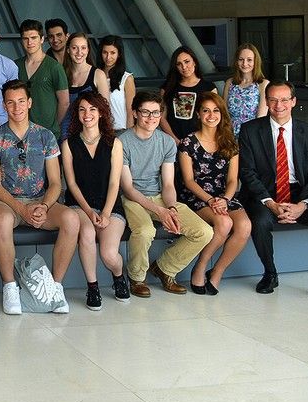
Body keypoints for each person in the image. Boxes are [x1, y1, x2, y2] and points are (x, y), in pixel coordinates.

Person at [238, 82, 308, 303]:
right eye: (274, 100)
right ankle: (270, 274)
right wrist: (270, 203)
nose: (279, 105)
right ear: (266, 102)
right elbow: (247, 173)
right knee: (260, 221)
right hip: (264, 193)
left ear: (294, 102)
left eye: (285, 99)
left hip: (299, 193)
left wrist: (302, 205)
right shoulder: (249, 131)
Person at [0, 80, 78, 315]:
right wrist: (21, 209)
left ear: (30, 103)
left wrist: (45, 205)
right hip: (5, 201)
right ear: (4, 106)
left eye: (21, 102)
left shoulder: (45, 136)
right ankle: (10, 286)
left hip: (39, 200)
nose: (17, 108)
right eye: (11, 103)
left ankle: (54, 287)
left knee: (72, 220)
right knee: (3, 221)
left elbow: (55, 182)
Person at [118, 90, 213, 298]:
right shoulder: (122, 142)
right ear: (134, 113)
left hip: (160, 196)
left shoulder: (167, 142)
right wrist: (159, 211)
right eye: (145, 112)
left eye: (156, 113)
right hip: (132, 198)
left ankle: (164, 269)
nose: (151, 118)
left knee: (204, 231)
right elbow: (127, 188)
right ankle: (136, 277)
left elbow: (168, 184)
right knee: (144, 231)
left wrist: (170, 208)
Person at [177, 92, 252, 296]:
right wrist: (211, 200)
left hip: (223, 195)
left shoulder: (230, 142)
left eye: (216, 110)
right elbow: (189, 181)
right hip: (197, 195)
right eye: (206, 111)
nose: (211, 115)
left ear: (222, 114)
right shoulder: (188, 143)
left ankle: (217, 270)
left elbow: (232, 180)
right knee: (225, 223)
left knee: (244, 225)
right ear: (199, 115)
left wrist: (225, 199)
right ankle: (200, 267)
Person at [60, 92, 129, 311]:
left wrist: (106, 213)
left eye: (92, 109)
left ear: (101, 113)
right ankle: (93, 286)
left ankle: (119, 275)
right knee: (87, 233)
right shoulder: (69, 144)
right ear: (76, 114)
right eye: (82, 109)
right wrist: (89, 212)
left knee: (109, 254)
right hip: (79, 205)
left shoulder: (114, 143)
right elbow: (71, 184)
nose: (87, 114)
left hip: (110, 205)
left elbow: (114, 183)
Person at [15, 19, 68, 140]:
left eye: (34, 38)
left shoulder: (54, 67)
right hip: (21, 134)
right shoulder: (15, 66)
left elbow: (64, 102)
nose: (30, 42)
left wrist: (53, 125)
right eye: (25, 39)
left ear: (42, 39)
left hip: (48, 135)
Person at [160, 46, 216, 143]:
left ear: (194, 61)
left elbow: (214, 117)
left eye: (187, 61)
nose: (184, 67)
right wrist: (175, 141)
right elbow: (161, 117)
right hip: (173, 142)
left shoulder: (209, 88)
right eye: (179, 64)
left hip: (201, 142)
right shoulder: (167, 88)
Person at [61, 32, 111, 135]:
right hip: (65, 131)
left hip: (90, 132)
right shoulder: (61, 74)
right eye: (75, 48)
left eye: (83, 48)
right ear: (68, 50)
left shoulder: (98, 74)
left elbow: (105, 109)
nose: (79, 52)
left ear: (88, 50)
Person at [223, 42, 269, 136]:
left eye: (249, 60)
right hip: (230, 133)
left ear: (255, 61)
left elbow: (260, 117)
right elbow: (224, 111)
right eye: (241, 59)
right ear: (236, 61)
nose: (245, 63)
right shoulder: (229, 83)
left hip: (252, 133)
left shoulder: (263, 84)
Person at [99, 35, 135, 131]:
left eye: (113, 53)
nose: (108, 57)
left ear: (119, 54)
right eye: (105, 52)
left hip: (121, 130)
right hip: (100, 131)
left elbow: (130, 110)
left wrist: (129, 134)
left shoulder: (126, 78)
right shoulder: (96, 75)